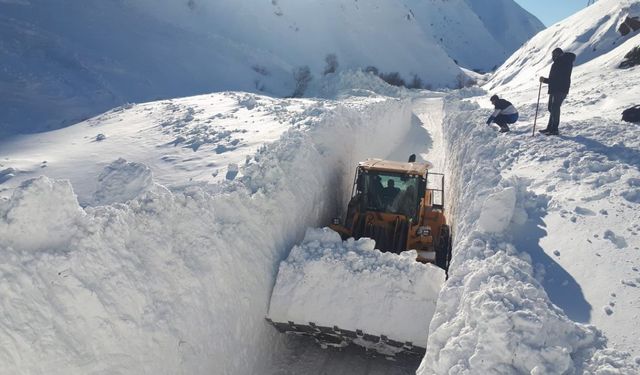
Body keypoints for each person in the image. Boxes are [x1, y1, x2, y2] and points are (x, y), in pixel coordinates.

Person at [539, 47, 576, 135]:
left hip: (560, 89)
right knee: (551, 108)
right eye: (553, 55)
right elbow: (554, 78)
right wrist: (545, 80)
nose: (553, 57)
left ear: (559, 54)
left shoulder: (564, 62)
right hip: (555, 89)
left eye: (554, 55)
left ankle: (554, 129)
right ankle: (550, 128)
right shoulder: (558, 63)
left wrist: (545, 80)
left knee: (555, 108)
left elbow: (558, 78)